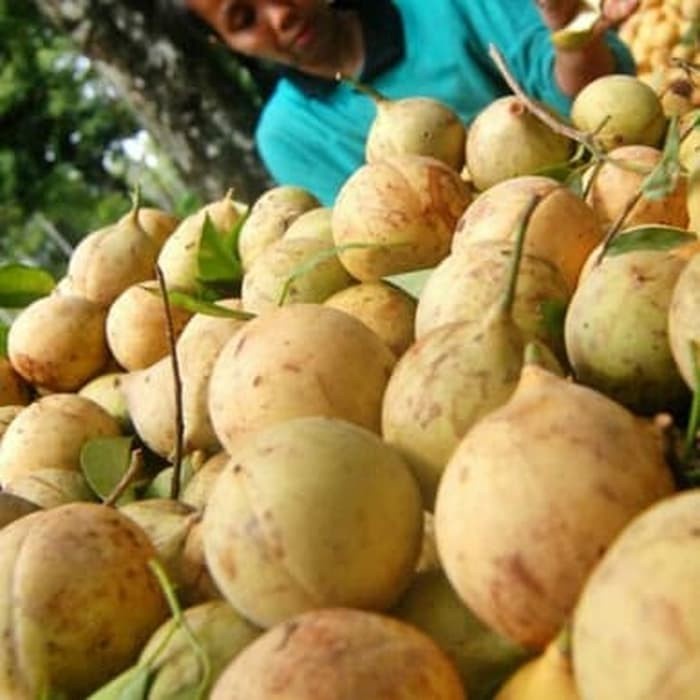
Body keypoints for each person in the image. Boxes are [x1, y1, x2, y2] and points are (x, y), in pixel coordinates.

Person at [171, 0, 638, 205]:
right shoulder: (286, 136)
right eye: (244, 18)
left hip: (609, 184)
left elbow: (597, 107)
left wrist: (566, 18)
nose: (280, 14)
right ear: (225, 44)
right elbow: (383, 249)